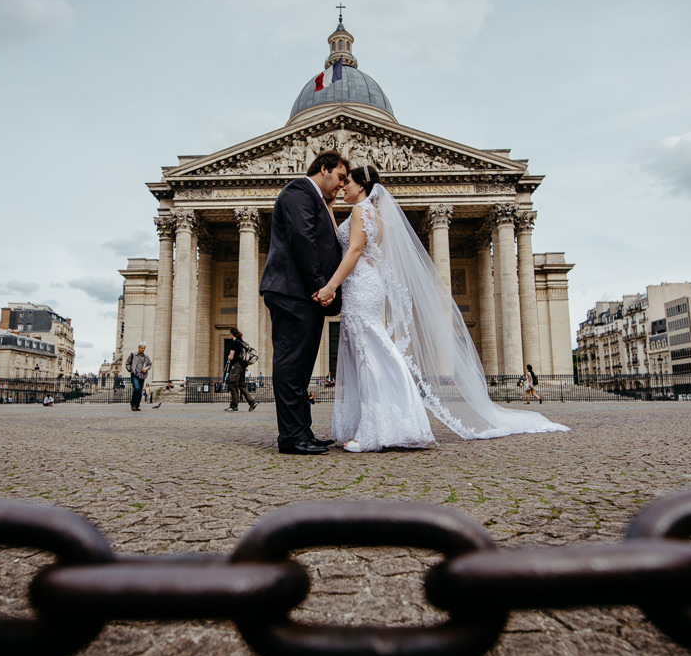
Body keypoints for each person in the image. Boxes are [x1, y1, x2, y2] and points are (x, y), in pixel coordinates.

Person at [315, 164, 568, 452]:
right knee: (370, 352)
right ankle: (383, 422)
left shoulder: (362, 212)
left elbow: (355, 251)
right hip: (365, 284)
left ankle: (377, 426)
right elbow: (351, 246)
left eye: (347, 182)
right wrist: (330, 210)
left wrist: (331, 285)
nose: (342, 186)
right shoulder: (375, 215)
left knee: (371, 353)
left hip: (359, 286)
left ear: (361, 186)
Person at [259, 151, 348, 455]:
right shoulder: (298, 191)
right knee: (290, 363)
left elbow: (321, 240)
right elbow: (303, 239)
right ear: (323, 169)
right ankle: (291, 437)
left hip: (300, 293)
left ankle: (302, 431)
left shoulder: (315, 199)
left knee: (300, 367)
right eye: (340, 177)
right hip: (294, 290)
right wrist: (319, 287)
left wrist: (329, 206)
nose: (342, 184)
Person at [224, 327, 258, 412]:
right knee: (241, 384)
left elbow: (231, 356)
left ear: (232, 333)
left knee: (233, 384)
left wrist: (229, 356)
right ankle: (251, 402)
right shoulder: (242, 343)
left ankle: (234, 405)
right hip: (243, 366)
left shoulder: (234, 343)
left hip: (236, 366)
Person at [125, 342, 151, 411]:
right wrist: (130, 370)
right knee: (136, 388)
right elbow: (127, 363)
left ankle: (137, 405)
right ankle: (133, 404)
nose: (143, 349)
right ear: (139, 348)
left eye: (144, 348)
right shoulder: (133, 355)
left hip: (142, 375)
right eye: (142, 348)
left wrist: (146, 368)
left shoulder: (146, 357)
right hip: (135, 375)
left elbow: (149, 364)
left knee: (139, 391)